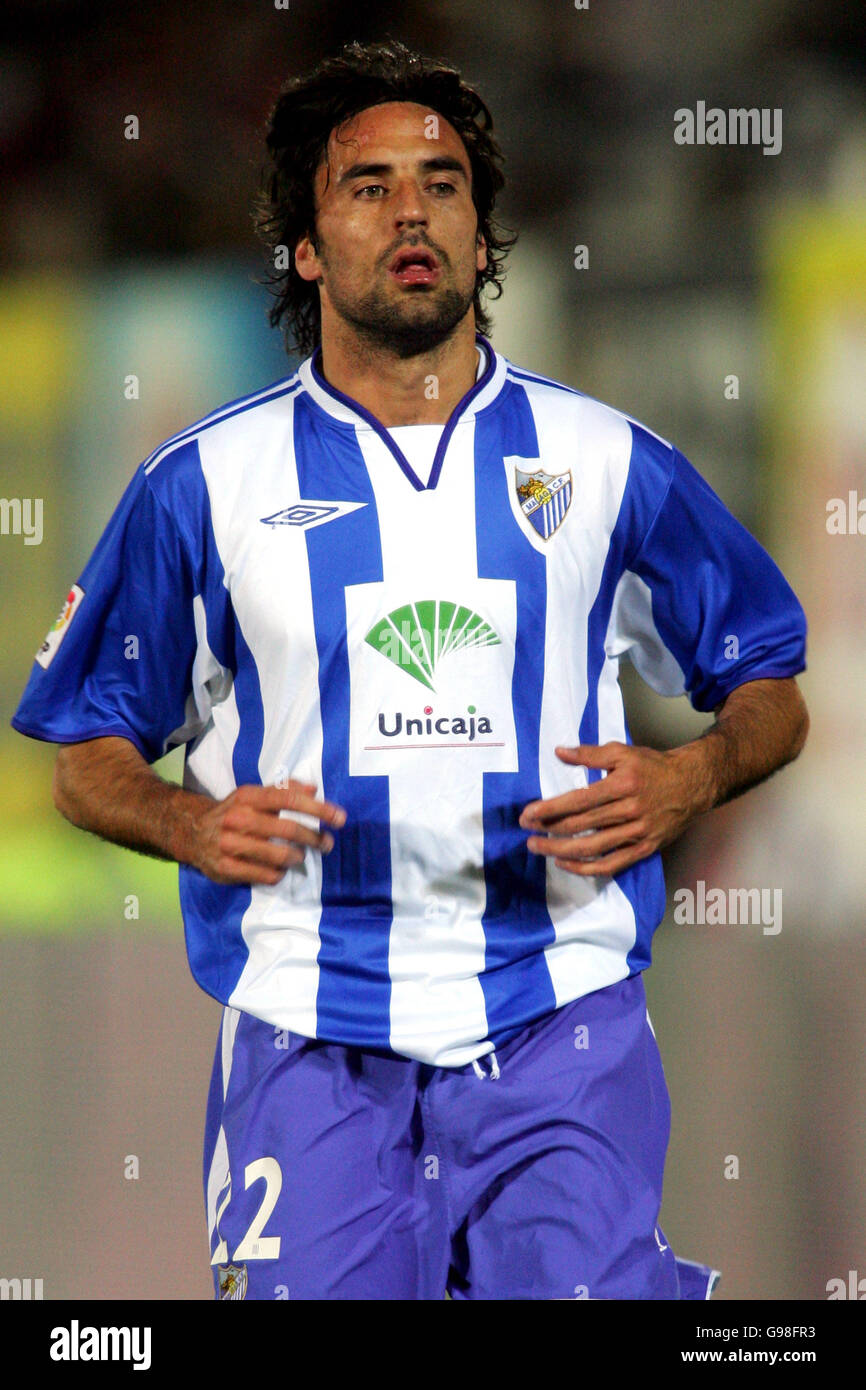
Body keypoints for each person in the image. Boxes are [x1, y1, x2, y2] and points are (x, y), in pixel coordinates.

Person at [12, 39, 808, 1301]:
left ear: (485, 237)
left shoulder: (603, 460)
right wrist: (190, 819)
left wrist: (691, 775)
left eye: (441, 184)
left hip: (560, 1013)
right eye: (367, 186)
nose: (411, 213)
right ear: (308, 247)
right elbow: (86, 757)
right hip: (305, 1030)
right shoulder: (200, 487)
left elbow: (766, 675)